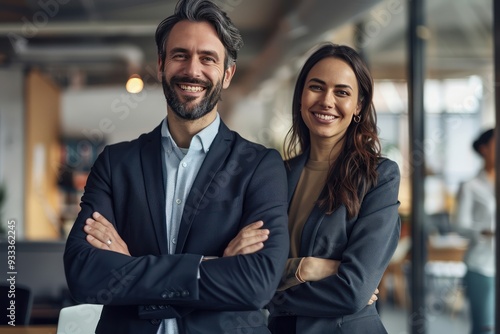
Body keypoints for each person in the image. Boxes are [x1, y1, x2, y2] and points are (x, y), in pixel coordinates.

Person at [63, 0, 290, 333]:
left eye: (208, 58)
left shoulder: (260, 167)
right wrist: (206, 269)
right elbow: (83, 273)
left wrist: (132, 268)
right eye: (180, 55)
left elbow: (258, 283)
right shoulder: (116, 163)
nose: (192, 70)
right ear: (161, 65)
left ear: (227, 74)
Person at [264, 43, 401, 333]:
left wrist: (273, 293)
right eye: (317, 87)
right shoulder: (275, 173)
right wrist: (306, 268)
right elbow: (249, 269)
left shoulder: (378, 177)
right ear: (301, 96)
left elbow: (354, 290)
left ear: (359, 106)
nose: (327, 101)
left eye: (342, 92)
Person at [454, 128, 495, 334]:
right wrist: (485, 231)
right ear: (484, 149)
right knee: (485, 328)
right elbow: (460, 225)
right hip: (481, 265)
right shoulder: (470, 185)